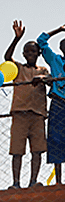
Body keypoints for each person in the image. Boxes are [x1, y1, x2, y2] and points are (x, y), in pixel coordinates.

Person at [5, 20, 47, 189]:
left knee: (37, 150)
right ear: (23, 54)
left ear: (38, 53)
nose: (30, 53)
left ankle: (33, 181)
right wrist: (16, 39)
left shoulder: (42, 70)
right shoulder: (18, 69)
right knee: (17, 150)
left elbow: (50, 79)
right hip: (20, 113)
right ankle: (16, 183)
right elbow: (7, 58)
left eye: (33, 51)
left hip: (37, 115)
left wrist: (42, 79)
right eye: (27, 51)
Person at [37, 24, 65, 184]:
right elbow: (41, 41)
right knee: (55, 140)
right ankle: (59, 181)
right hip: (58, 104)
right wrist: (59, 30)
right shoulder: (56, 61)